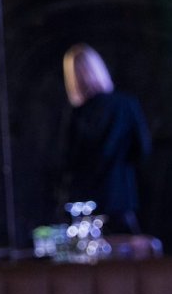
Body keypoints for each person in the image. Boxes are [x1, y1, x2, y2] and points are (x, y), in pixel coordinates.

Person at [59, 44, 151, 233]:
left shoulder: (77, 114)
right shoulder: (126, 105)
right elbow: (142, 148)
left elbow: (67, 159)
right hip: (120, 196)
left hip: (86, 200)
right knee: (129, 246)